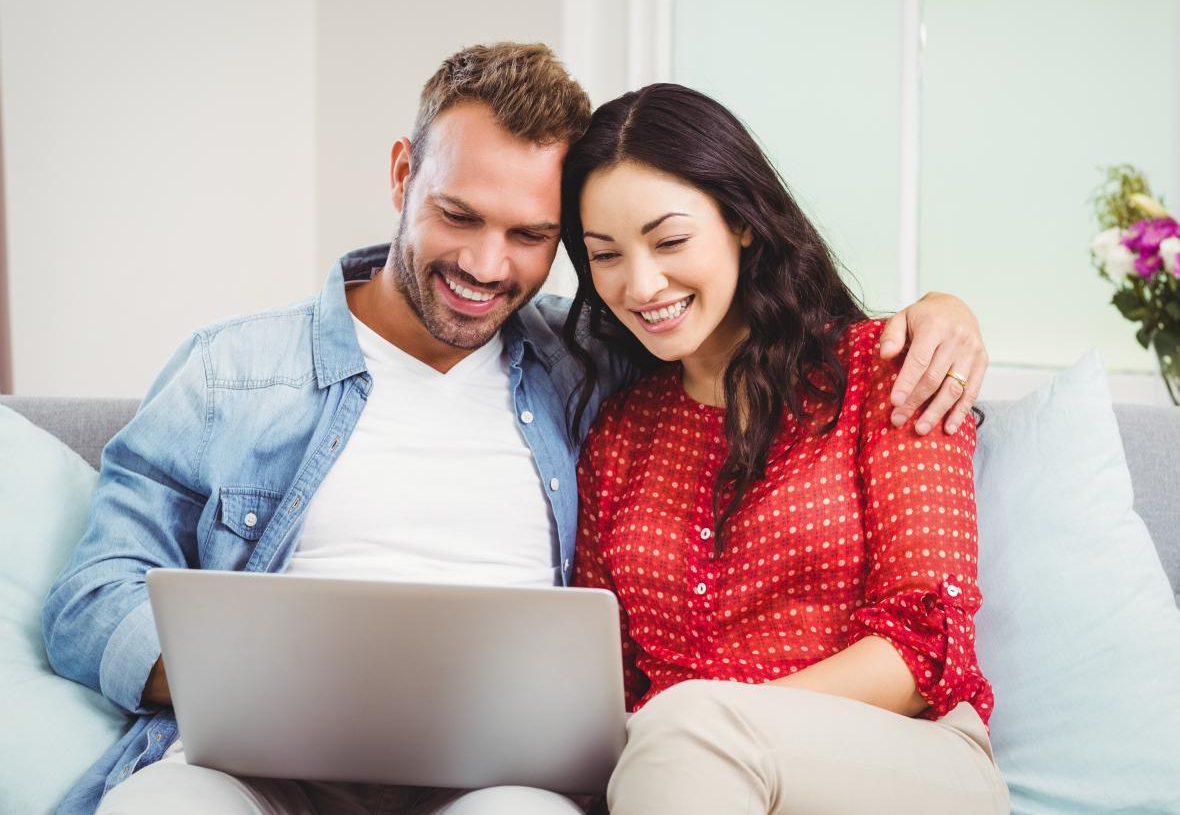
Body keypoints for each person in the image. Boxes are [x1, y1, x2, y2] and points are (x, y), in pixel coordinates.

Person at [42, 44, 988, 815]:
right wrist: (254, 687)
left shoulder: (589, 373)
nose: (487, 265)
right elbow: (91, 596)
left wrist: (947, 307)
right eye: (459, 215)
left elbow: (917, 629)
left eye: (532, 236)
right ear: (403, 174)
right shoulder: (236, 372)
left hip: (533, 780)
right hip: (268, 768)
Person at [562, 83, 1008, 814]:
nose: (640, 283)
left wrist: (701, 723)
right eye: (605, 254)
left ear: (742, 220)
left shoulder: (886, 368)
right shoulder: (619, 431)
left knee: (685, 731)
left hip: (910, 756)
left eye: (670, 240)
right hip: (681, 771)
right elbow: (603, 670)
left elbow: (923, 645)